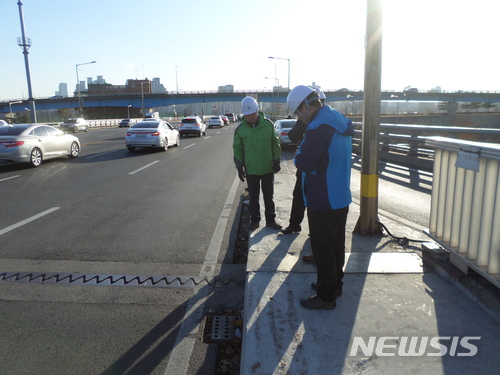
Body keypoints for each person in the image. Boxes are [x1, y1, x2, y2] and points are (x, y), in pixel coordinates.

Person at [287, 85, 354, 310]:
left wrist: (298, 156)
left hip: (322, 195)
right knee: (335, 245)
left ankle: (326, 296)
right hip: (340, 194)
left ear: (306, 106)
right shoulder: (336, 118)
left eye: (298, 112)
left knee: (323, 248)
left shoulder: (318, 127)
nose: (299, 117)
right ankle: (335, 285)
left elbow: (304, 162)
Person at [282, 87, 326, 236]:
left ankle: (315, 232)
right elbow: (293, 136)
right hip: (306, 162)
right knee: (299, 194)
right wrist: (303, 123)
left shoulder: (325, 124)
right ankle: (295, 224)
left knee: (317, 200)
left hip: (319, 169)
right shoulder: (305, 119)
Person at [233, 96, 282, 231]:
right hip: (251, 170)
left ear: (257, 110)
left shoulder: (268, 125)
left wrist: (276, 160)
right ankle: (255, 220)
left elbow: (275, 143)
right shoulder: (240, 130)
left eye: (252, 113)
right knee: (254, 198)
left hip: (267, 167)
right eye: (247, 115)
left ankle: (271, 220)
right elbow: (237, 149)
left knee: (268, 196)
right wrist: (239, 166)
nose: (250, 117)